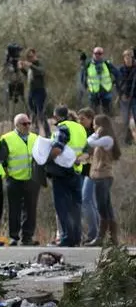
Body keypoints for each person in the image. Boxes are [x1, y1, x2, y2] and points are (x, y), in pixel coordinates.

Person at [47, 106, 87, 247]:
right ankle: (76, 238)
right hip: (77, 171)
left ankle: (66, 238)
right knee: (75, 206)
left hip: (62, 171)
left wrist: (47, 157)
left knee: (62, 206)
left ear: (56, 116)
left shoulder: (62, 128)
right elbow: (87, 150)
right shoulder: (80, 128)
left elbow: (58, 148)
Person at [0, 113, 39, 246]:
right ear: (16, 125)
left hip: (31, 179)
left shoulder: (36, 138)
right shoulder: (7, 138)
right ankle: (14, 236)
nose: (27, 126)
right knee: (14, 209)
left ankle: (27, 237)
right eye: (24, 124)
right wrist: (7, 175)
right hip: (14, 179)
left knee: (31, 209)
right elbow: (2, 160)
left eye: (29, 123)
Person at [85, 114, 122, 246]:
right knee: (106, 207)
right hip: (100, 176)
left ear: (101, 125)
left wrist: (96, 133)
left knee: (102, 207)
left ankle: (101, 237)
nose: (93, 126)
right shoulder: (104, 139)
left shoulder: (107, 139)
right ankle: (112, 238)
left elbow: (89, 141)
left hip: (104, 177)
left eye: (95, 124)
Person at [75, 108, 98, 245]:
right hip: (83, 171)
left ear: (90, 119)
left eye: (83, 119)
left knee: (87, 200)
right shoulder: (81, 132)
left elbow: (88, 153)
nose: (80, 121)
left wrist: (76, 159)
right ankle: (96, 234)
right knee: (91, 203)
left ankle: (93, 234)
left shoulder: (94, 134)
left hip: (92, 171)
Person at [18, 48, 50, 137]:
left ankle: (47, 133)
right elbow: (29, 76)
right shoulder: (31, 68)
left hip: (40, 91)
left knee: (40, 113)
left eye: (31, 56)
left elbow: (41, 71)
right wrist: (22, 69)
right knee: (33, 113)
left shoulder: (38, 65)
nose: (30, 59)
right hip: (31, 92)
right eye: (28, 57)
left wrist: (31, 65)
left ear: (35, 55)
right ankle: (35, 131)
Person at [81, 47, 118, 115]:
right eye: (95, 53)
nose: (97, 55)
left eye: (99, 53)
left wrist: (115, 82)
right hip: (94, 92)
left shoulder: (107, 64)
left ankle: (108, 125)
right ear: (93, 54)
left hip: (105, 91)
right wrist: (85, 86)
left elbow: (117, 73)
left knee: (108, 112)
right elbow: (83, 76)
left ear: (102, 55)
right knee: (92, 113)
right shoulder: (88, 64)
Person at [117, 49, 136, 145]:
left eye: (130, 56)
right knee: (125, 120)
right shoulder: (120, 69)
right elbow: (118, 84)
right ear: (124, 58)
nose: (128, 58)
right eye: (126, 56)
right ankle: (127, 140)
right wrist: (121, 94)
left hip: (135, 97)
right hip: (124, 98)